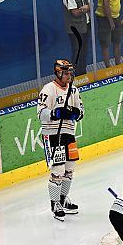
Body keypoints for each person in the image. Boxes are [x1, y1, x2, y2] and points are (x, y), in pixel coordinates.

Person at [37, 60, 84, 221]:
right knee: (58, 171)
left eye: (70, 72)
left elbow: (81, 112)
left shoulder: (74, 90)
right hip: (53, 135)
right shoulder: (48, 90)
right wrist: (55, 113)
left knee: (69, 169)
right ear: (58, 73)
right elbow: (40, 113)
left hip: (69, 133)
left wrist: (74, 113)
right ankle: (55, 203)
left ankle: (63, 198)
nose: (69, 75)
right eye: (66, 73)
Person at [62, 0, 91, 75]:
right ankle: (76, 74)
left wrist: (86, 7)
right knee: (77, 52)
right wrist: (86, 8)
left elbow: (91, 5)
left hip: (86, 25)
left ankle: (83, 72)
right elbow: (75, 13)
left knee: (84, 51)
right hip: (75, 29)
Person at [95, 0, 123, 68]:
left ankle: (118, 64)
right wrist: (110, 21)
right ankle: (108, 67)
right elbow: (106, 4)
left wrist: (120, 16)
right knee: (106, 43)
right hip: (104, 18)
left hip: (116, 17)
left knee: (117, 41)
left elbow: (117, 0)